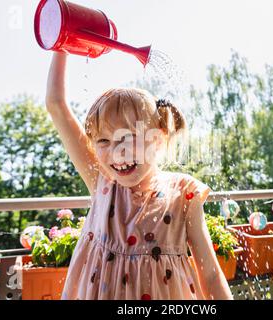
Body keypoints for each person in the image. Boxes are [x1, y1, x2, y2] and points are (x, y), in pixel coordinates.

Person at [45, 52, 233, 300]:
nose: (117, 152)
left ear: (158, 138)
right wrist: (62, 45)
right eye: (103, 140)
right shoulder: (102, 182)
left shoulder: (184, 195)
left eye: (128, 138)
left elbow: (210, 275)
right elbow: (56, 104)